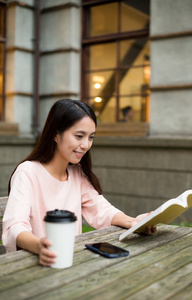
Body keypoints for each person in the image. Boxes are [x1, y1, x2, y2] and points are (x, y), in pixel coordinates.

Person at [2, 99, 156, 267]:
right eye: (79, 136)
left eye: (91, 137)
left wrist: (133, 222)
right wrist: (39, 245)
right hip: (34, 264)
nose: (85, 145)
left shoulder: (76, 173)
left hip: (70, 262)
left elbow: (100, 208)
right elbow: (15, 225)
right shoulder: (28, 173)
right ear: (55, 134)